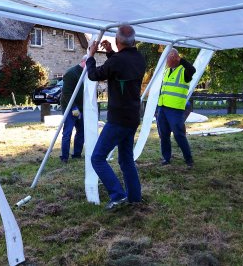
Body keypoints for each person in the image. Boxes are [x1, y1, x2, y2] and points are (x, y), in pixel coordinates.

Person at [87, 25, 146, 210]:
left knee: (97, 158)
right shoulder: (139, 58)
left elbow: (93, 75)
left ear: (117, 40)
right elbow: (121, 69)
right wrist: (111, 53)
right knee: (126, 159)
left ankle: (117, 194)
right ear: (133, 41)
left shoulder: (117, 61)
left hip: (118, 119)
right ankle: (135, 197)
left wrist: (91, 55)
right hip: (132, 117)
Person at [156, 48, 196, 168]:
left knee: (178, 135)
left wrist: (181, 60)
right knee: (164, 134)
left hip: (175, 109)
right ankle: (166, 158)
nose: (166, 61)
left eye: (168, 58)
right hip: (162, 108)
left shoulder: (184, 71)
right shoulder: (167, 71)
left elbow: (192, 70)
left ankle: (188, 159)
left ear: (174, 57)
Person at [59, 55, 87, 163]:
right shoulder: (71, 73)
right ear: (84, 62)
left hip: (81, 108)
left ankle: (77, 154)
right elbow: (66, 93)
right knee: (68, 132)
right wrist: (74, 107)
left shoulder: (86, 73)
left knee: (81, 131)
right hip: (70, 108)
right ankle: (64, 157)